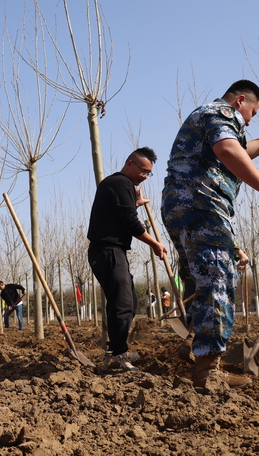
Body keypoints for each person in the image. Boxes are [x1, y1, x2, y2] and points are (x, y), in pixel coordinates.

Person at [161, 79, 259, 388]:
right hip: (201, 204)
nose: (249, 120)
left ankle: (194, 339)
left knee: (206, 276)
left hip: (184, 206)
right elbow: (229, 149)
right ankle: (208, 370)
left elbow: (241, 149)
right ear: (240, 101)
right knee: (219, 278)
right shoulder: (220, 111)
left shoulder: (210, 117)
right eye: (252, 113)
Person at [87, 147, 167, 372]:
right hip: (108, 250)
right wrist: (155, 243)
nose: (144, 176)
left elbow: (119, 213)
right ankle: (118, 356)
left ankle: (115, 351)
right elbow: (130, 223)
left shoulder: (120, 186)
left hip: (111, 251)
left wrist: (135, 203)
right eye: (142, 170)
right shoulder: (121, 183)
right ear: (129, 163)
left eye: (148, 173)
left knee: (129, 301)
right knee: (122, 302)